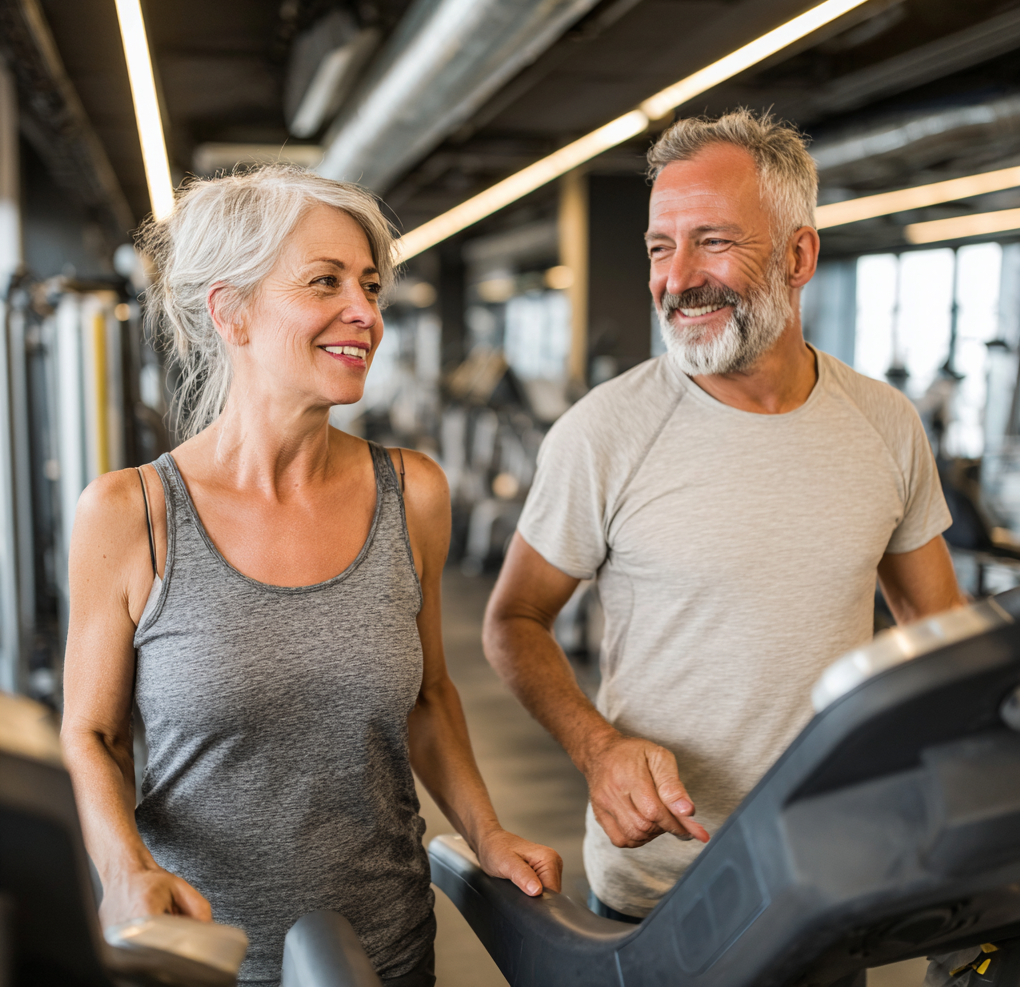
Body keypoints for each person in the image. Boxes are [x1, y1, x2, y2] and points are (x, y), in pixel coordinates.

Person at [60, 166, 562, 987]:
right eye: (324, 282)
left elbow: (432, 696)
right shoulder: (130, 515)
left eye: (369, 285)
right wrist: (122, 872)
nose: (365, 313)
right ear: (232, 312)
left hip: (387, 952)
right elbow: (92, 735)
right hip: (202, 954)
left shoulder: (415, 494)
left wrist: (488, 833)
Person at [483, 110, 962, 925]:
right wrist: (598, 751)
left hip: (829, 875)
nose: (678, 278)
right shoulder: (604, 433)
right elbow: (514, 619)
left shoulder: (886, 423)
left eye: (713, 240)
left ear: (798, 255)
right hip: (662, 890)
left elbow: (936, 625)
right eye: (659, 248)